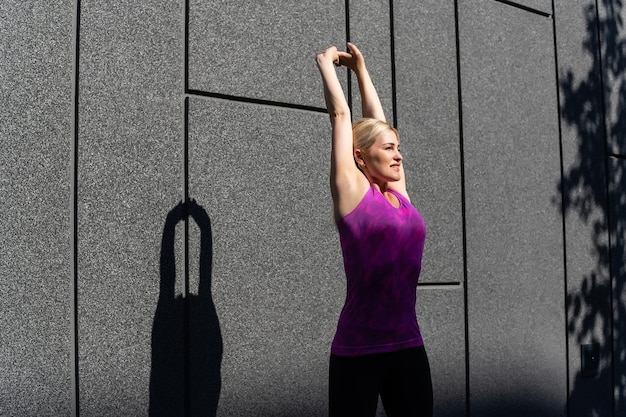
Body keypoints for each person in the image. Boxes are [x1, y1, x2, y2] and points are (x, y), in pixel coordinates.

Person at [316, 43, 433, 417]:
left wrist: (362, 71)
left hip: (408, 347)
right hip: (358, 354)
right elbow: (340, 114)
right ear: (361, 157)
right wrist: (327, 64)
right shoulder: (352, 194)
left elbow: (376, 122)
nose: (399, 155)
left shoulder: (397, 193)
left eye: (399, 147)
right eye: (389, 149)